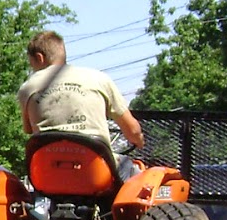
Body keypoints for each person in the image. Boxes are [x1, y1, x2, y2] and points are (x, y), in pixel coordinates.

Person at [17, 30, 144, 171]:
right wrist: (138, 140)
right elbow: (133, 130)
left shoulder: (27, 89)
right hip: (96, 172)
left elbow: (29, 130)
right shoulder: (99, 79)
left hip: (48, 174)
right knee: (136, 172)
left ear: (39, 58)